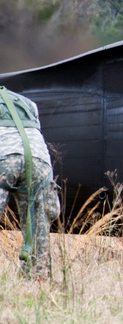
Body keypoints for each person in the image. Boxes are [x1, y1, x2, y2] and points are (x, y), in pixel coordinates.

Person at [0, 86, 60, 279]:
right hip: (39, 161)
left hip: (4, 157)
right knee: (38, 225)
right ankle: (38, 279)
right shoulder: (27, 103)